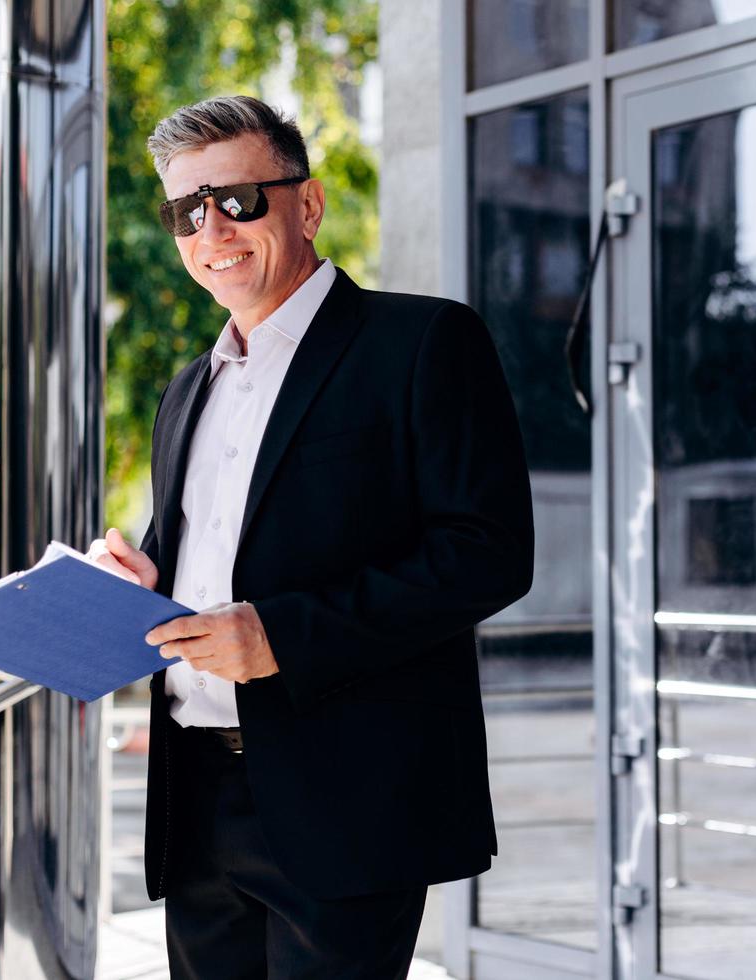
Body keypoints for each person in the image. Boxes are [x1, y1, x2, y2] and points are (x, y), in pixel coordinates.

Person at [87, 94, 533, 979]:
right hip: (196, 798)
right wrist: (137, 587)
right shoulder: (188, 389)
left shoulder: (423, 341)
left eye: (237, 199)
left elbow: (487, 554)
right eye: (186, 210)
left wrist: (281, 636)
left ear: (308, 204)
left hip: (347, 800)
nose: (211, 227)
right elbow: (217, 564)